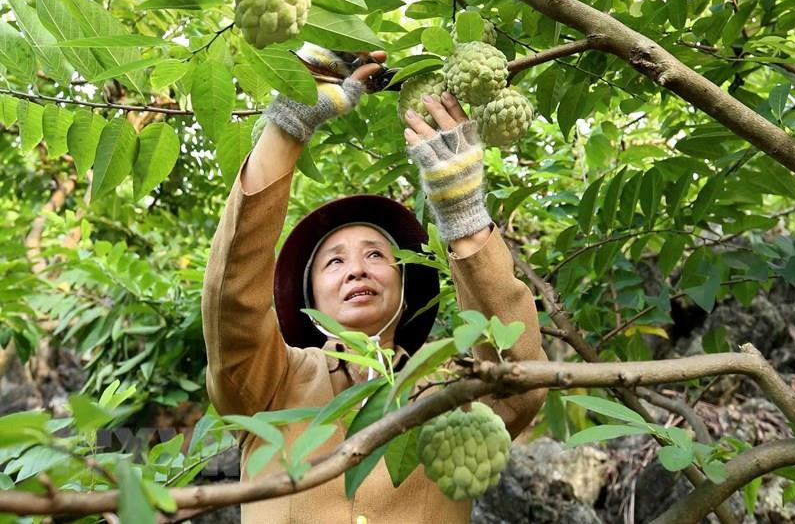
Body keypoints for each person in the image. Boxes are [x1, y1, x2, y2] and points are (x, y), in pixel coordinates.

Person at [202, 50, 547, 523]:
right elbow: (233, 304)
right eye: (334, 261)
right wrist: (286, 127)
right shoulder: (272, 384)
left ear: (405, 289)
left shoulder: (451, 387)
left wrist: (464, 214)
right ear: (309, 297)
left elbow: (520, 379)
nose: (356, 270)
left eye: (375, 255)